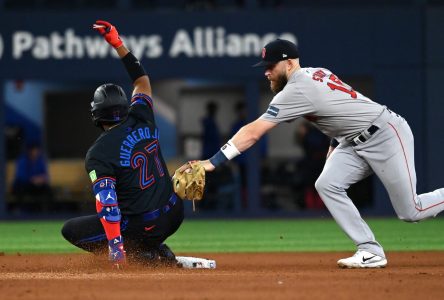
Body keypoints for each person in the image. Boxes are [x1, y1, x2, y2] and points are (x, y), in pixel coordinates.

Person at [178, 39, 444, 268]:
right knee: (327, 183)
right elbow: (339, 113)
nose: (266, 72)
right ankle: (370, 250)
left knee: (411, 211)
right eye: (265, 67)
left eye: (271, 66)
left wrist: (213, 162)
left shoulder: (296, 89)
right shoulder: (315, 73)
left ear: (290, 63)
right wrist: (333, 147)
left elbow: (253, 132)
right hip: (353, 140)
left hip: (386, 133)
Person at [61, 20, 183, 268]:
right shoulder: (142, 115)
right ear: (125, 106)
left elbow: (108, 204)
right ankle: (154, 247)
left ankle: (144, 253)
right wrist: (118, 44)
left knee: (70, 230)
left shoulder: (98, 153)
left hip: (144, 227)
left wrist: (117, 249)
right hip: (175, 214)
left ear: (96, 114)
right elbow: (142, 80)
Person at [12, 141, 53, 212]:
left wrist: (41, 179)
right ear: (29, 151)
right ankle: (19, 210)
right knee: (20, 189)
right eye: (33, 150)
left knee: (48, 190)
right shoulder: (22, 160)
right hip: (24, 185)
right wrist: (33, 179)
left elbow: (46, 175)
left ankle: (47, 211)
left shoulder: (40, 160)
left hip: (36, 186)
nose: (35, 152)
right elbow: (21, 177)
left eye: (37, 150)